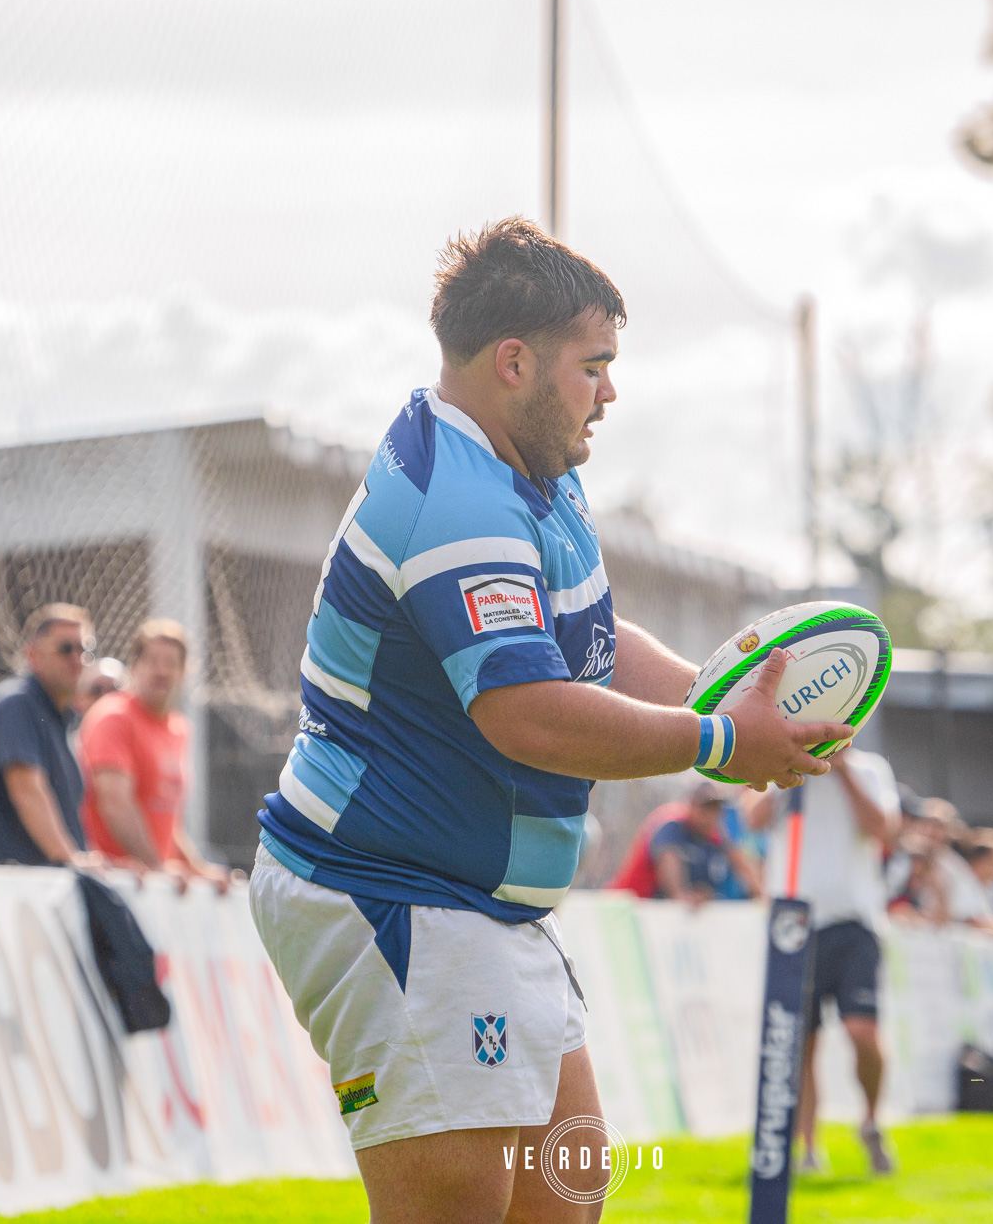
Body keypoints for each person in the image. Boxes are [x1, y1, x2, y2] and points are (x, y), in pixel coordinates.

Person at [246, 219, 850, 1224]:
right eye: (594, 367)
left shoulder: (535, 476)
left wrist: (713, 691)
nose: (609, 393)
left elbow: (593, 634)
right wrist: (722, 744)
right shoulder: (458, 500)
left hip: (476, 907)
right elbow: (527, 714)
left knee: (568, 1193)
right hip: (394, 898)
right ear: (514, 361)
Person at [749, 747, 900, 1176]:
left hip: (854, 921)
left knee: (862, 1031)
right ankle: (808, 1147)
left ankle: (871, 1121)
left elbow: (883, 830)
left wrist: (843, 770)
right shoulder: (786, 766)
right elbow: (750, 820)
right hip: (795, 922)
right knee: (801, 1042)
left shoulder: (870, 768)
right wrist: (787, 767)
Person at [79, 620, 231, 892]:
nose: (161, 670)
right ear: (134, 666)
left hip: (151, 886)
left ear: (184, 671)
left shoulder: (179, 728)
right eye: (152, 660)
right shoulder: (114, 717)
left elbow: (164, 818)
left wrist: (196, 869)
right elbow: (115, 804)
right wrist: (158, 867)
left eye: (171, 662)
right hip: (113, 884)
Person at [0, 604, 99, 868]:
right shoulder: (16, 705)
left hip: (39, 887)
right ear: (32, 655)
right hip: (14, 889)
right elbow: (26, 788)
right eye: (65, 649)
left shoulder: (60, 717)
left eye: (84, 650)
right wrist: (71, 858)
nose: (76, 659)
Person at [648, 780, 761, 905]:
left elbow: (741, 864)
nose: (710, 814)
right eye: (706, 807)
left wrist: (759, 895)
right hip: (649, 907)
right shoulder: (674, 828)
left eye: (716, 808)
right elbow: (670, 870)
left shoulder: (718, 836)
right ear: (692, 804)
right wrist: (683, 896)